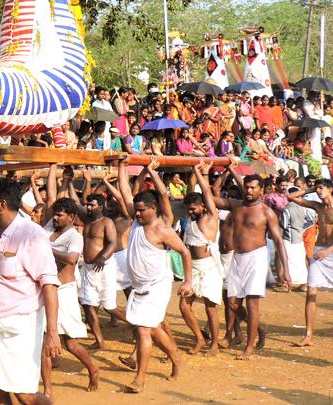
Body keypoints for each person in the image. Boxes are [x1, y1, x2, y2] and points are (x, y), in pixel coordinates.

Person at [0, 177, 60, 404]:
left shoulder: (31, 234)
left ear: (1, 204)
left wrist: (53, 332)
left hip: (20, 326)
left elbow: (49, 284)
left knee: (24, 394)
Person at [119, 160, 191, 393]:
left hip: (157, 286)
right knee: (153, 329)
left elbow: (185, 252)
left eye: (142, 210)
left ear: (153, 208)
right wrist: (121, 166)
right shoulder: (137, 221)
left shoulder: (163, 229)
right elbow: (125, 190)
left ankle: (139, 379)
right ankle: (176, 358)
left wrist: (188, 281)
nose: (137, 213)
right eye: (136, 210)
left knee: (143, 330)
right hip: (139, 286)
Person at [212, 162, 289, 359]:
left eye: (253, 187)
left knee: (252, 302)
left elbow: (278, 241)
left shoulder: (266, 212)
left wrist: (286, 271)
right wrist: (212, 172)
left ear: (261, 190)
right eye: (246, 187)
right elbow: (211, 198)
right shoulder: (236, 206)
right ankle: (259, 328)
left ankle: (249, 347)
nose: (249, 190)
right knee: (232, 303)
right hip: (237, 257)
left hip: (257, 257)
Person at [42, 197, 100, 395]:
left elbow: (71, 258)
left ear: (72, 217)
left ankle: (93, 369)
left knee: (70, 343)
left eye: (60, 215)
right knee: (44, 340)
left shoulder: (74, 236)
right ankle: (48, 389)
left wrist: (47, 249)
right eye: (55, 214)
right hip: (46, 290)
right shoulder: (49, 228)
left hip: (64, 292)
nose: (55, 218)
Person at [180, 162, 224, 356]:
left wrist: (198, 171)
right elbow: (192, 190)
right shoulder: (192, 221)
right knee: (183, 305)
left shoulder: (211, 217)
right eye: (188, 210)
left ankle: (214, 344)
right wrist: (193, 171)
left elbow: (206, 191)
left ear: (202, 206)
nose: (189, 212)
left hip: (209, 268)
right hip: (193, 269)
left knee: (210, 308)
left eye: (192, 209)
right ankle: (199, 337)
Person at [288, 179, 333, 347]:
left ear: (330, 189)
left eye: (321, 188)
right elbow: (290, 197)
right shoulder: (317, 206)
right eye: (317, 188)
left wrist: (328, 251)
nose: (319, 191)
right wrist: (310, 189)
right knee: (311, 291)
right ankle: (308, 335)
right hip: (319, 251)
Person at [78, 189, 119, 350]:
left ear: (101, 206)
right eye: (87, 205)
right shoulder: (86, 220)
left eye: (92, 205)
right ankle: (99, 340)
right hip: (88, 268)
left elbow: (113, 242)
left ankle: (139, 326)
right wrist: (68, 182)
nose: (88, 207)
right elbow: (75, 203)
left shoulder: (107, 222)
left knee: (110, 307)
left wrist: (103, 257)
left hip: (104, 267)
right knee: (87, 304)